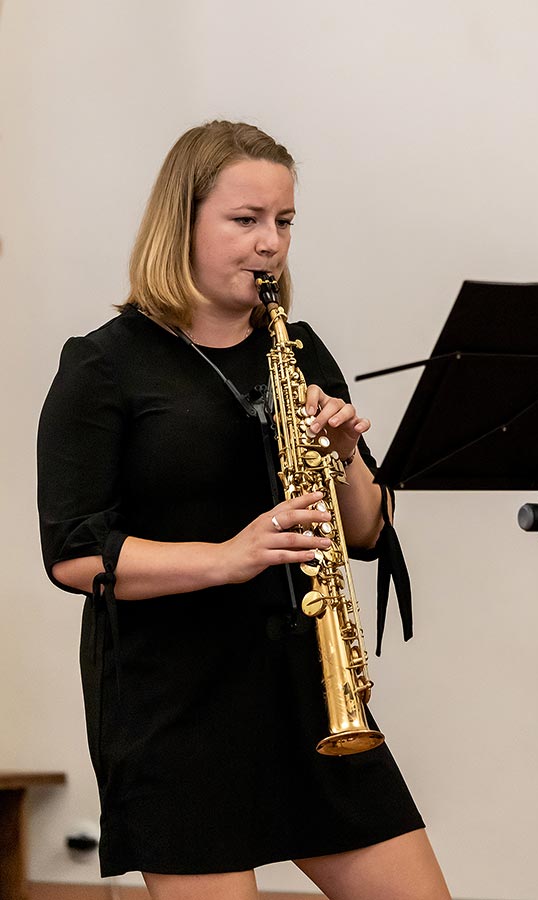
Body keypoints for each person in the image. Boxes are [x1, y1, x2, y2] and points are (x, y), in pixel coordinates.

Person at [37, 121, 450, 900]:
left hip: (312, 692)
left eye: (284, 222)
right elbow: (73, 553)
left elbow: (365, 532)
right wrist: (229, 556)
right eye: (245, 220)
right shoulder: (104, 364)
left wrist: (347, 457)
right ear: (181, 221)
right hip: (178, 708)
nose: (270, 243)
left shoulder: (296, 348)